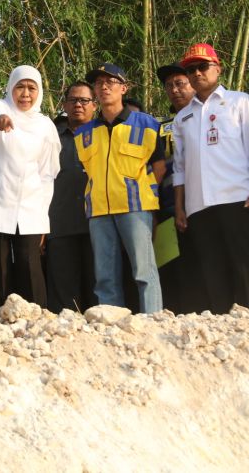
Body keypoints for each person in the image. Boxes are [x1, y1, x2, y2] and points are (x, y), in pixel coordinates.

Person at [172, 43, 249, 314]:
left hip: (238, 197)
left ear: (218, 69)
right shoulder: (182, 117)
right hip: (199, 204)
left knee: (247, 266)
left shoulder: (240, 101)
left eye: (202, 67)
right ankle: (222, 325)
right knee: (213, 269)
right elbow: (179, 167)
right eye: (191, 69)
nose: (196, 73)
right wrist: (180, 206)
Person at [74, 63, 164, 314]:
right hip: (99, 210)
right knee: (105, 277)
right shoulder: (84, 132)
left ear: (124, 88)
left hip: (135, 207)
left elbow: (159, 167)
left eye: (110, 82)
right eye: (99, 83)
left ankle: (152, 321)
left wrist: (146, 194)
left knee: (144, 271)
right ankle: (110, 327)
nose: (103, 87)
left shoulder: (146, 124)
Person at [0, 65, 60, 308]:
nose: (25, 93)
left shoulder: (45, 126)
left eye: (32, 88)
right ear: (11, 88)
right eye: (20, 87)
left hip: (29, 207)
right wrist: (1, 120)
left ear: (39, 91)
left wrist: (42, 217)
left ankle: (35, 320)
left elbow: (46, 174)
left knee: (29, 265)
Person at [154, 59, 205, 314]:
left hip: (202, 203)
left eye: (180, 83)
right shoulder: (158, 126)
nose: (174, 90)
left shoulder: (208, 118)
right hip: (166, 209)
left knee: (204, 265)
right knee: (172, 272)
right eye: (168, 85)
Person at [46, 81, 97, 312]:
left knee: (98, 288)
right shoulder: (51, 139)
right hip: (60, 224)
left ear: (94, 105)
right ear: (65, 105)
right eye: (73, 100)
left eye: (85, 100)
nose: (79, 104)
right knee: (63, 296)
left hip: (98, 223)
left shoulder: (105, 134)